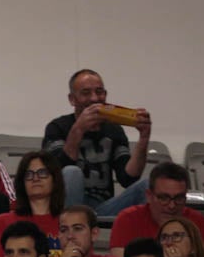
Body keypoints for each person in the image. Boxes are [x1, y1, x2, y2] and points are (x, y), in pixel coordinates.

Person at [42, 68, 150, 214]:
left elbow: (128, 179)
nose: (94, 98)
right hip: (66, 209)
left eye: (99, 92)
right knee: (71, 172)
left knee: (148, 185)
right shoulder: (57, 127)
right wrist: (78, 130)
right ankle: (73, 224)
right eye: (86, 93)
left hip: (102, 208)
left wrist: (143, 138)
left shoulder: (114, 130)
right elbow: (54, 174)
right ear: (72, 99)